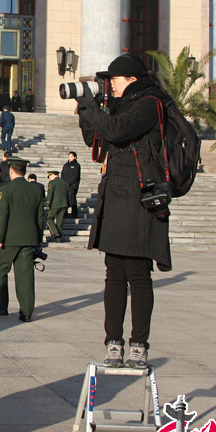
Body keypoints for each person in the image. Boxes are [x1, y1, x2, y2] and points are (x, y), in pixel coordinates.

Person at [76, 53, 172, 369]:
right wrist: (83, 108)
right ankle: (113, 342)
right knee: (114, 273)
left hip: (139, 200)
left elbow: (116, 131)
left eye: (113, 79)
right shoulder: (119, 108)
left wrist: (93, 107)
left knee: (138, 274)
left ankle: (139, 345)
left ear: (131, 79)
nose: (109, 85)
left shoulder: (148, 104)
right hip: (116, 196)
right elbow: (97, 139)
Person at [0, 155, 44, 322]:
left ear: (11, 170)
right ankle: (26, 312)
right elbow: (40, 216)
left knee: (1, 270)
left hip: (9, 239)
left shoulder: (7, 189)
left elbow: (3, 215)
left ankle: (0, 306)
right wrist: (38, 238)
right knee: (25, 275)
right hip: (29, 238)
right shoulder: (36, 189)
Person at [45, 170, 69, 242]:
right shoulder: (65, 183)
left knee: (49, 219)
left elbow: (50, 194)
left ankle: (55, 233)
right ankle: (59, 239)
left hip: (55, 204)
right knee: (60, 221)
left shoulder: (52, 183)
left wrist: (48, 204)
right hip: (64, 204)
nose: (49, 178)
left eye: (49, 176)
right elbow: (69, 194)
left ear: (53, 175)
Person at [61, 151, 82, 219]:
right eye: (69, 156)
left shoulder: (77, 166)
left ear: (75, 157)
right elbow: (62, 174)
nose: (70, 158)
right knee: (65, 200)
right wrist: (64, 182)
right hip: (65, 185)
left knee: (72, 200)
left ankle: (74, 214)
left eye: (71, 156)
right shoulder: (66, 165)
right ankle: (65, 214)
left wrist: (69, 183)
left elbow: (76, 176)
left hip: (73, 186)